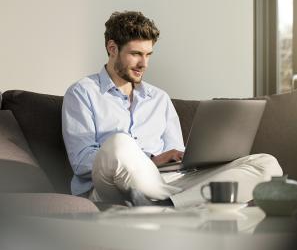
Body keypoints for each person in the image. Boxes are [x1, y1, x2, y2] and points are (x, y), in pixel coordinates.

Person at [62, 11, 282, 207]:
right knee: (120, 143)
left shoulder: (159, 98)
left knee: (266, 164)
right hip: (109, 186)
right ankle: (187, 202)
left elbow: (178, 159)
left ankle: (166, 205)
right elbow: (81, 162)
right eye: (136, 54)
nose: (144, 64)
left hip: (166, 184)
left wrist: (195, 160)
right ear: (112, 49)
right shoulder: (82, 93)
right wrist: (150, 160)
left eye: (148, 55)